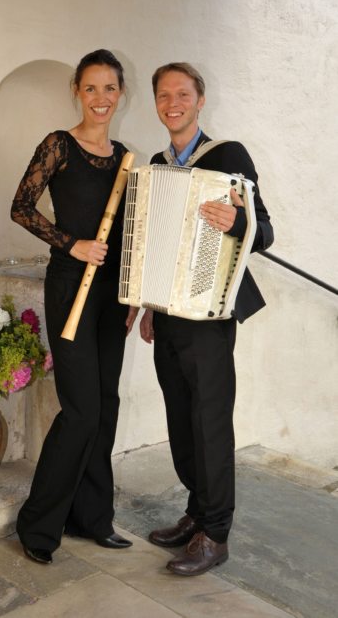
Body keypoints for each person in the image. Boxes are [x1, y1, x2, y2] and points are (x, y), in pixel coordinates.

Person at [135, 62, 274, 576]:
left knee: (209, 420)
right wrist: (149, 305)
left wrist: (238, 219)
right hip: (168, 312)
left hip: (211, 310)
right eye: (164, 95)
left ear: (200, 101)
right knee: (179, 415)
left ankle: (216, 534)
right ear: (156, 103)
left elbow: (265, 232)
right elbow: (155, 240)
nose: (173, 102)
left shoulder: (229, 156)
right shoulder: (157, 162)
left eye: (183, 94)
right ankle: (196, 512)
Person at [11, 49, 133, 565]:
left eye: (109, 89)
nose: (100, 99)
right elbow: (21, 206)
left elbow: (130, 233)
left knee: (105, 406)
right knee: (81, 410)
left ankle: (92, 518)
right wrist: (71, 243)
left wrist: (131, 294)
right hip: (70, 288)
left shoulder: (126, 156)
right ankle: (37, 526)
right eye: (91, 88)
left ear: (120, 94)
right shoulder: (59, 145)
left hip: (111, 297)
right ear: (77, 93)